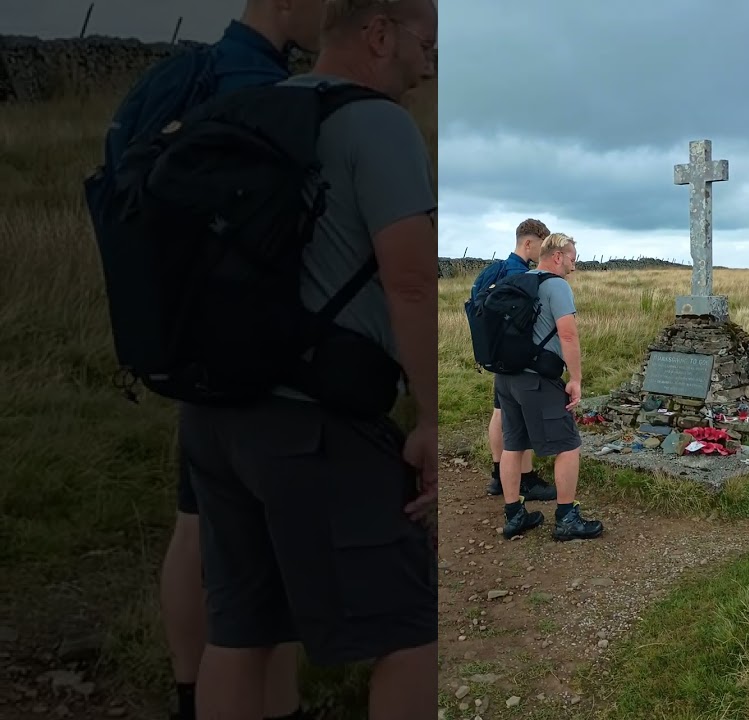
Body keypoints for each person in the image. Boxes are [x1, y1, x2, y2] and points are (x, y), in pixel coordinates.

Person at [178, 1, 439, 718]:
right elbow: (412, 283)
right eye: (426, 44)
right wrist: (431, 414)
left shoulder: (245, 110)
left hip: (213, 416)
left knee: (241, 632)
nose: (429, 64)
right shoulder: (377, 124)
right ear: (379, 33)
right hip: (317, 426)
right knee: (412, 630)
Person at [90, 3, 329, 719]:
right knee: (258, 543)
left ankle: (190, 693)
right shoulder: (261, 88)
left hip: (177, 336)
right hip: (245, 349)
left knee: (194, 521)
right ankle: (265, 705)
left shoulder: (179, 78)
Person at [494, 233, 605, 541]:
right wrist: (576, 380)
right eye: (572, 258)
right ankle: (567, 519)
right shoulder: (556, 286)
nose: (574, 265)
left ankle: (514, 515)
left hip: (506, 378)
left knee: (513, 445)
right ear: (558, 256)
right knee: (569, 444)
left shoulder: (521, 282)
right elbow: (568, 336)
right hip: (537, 380)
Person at [469, 218, 556, 500]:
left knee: (500, 412)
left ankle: (499, 476)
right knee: (520, 416)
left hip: (492, 353)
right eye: (540, 246)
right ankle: (525, 480)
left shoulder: (492, 270)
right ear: (528, 242)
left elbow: (476, 305)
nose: (541, 254)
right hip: (517, 358)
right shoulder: (521, 274)